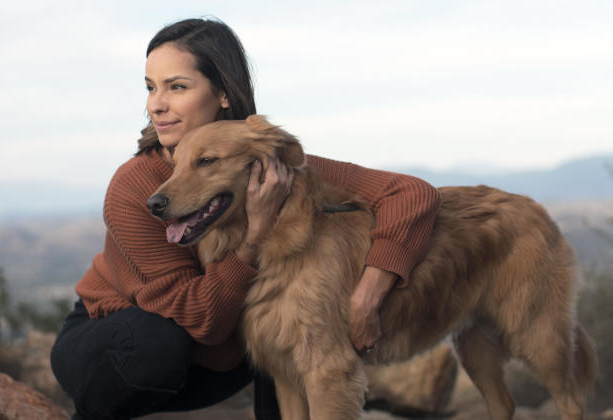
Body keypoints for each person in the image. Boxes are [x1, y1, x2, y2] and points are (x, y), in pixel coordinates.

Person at [50, 18, 441, 420]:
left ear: (221, 92)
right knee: (157, 341)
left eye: (176, 86)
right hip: (118, 347)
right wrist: (255, 236)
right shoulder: (136, 187)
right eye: (151, 88)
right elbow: (201, 319)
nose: (156, 104)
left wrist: (368, 296)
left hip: (216, 355)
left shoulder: (261, 155)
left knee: (285, 308)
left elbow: (412, 193)